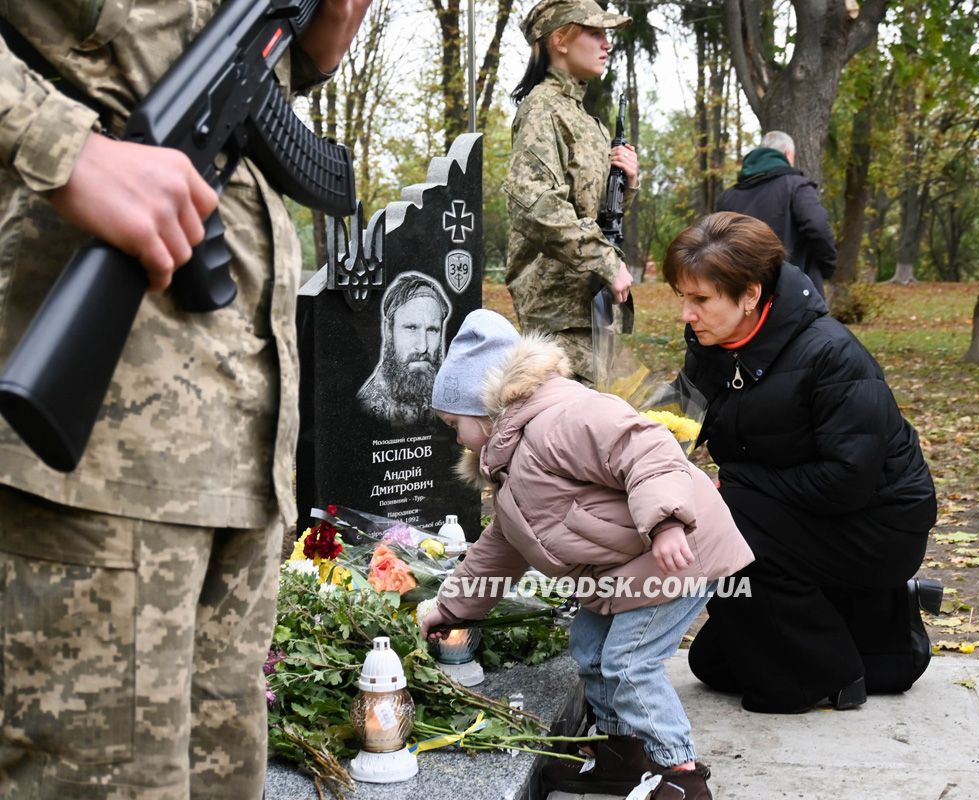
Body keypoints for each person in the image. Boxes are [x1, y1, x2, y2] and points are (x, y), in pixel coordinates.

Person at [0, 2, 371, 797]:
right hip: (102, 442)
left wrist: (326, 34)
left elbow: (214, 57)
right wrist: (62, 147)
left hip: (242, 433)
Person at [419, 309, 753, 800]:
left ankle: (680, 775)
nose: (455, 437)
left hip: (678, 550)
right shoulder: (512, 469)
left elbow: (646, 449)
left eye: (454, 423)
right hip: (626, 573)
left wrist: (664, 523)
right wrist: (449, 609)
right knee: (591, 650)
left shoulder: (564, 419)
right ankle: (621, 757)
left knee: (629, 663)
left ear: (484, 407)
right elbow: (500, 550)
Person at [664, 212, 939, 714]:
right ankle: (870, 624)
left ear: (750, 294)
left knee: (725, 517)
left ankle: (830, 674)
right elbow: (680, 424)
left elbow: (847, 482)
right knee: (713, 666)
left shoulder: (832, 355)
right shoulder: (711, 348)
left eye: (700, 299)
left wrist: (739, 485)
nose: (687, 313)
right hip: (791, 509)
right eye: (682, 297)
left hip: (877, 523)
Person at [502, 0, 639, 385]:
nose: (606, 43)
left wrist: (624, 186)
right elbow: (536, 206)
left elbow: (590, 214)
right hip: (557, 316)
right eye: (595, 32)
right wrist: (607, 262)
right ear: (560, 39)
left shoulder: (584, 119)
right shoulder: (542, 108)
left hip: (589, 310)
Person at [715, 130, 838, 298]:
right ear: (788, 154)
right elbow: (817, 225)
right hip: (795, 295)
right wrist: (828, 266)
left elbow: (716, 243)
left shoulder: (728, 197)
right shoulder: (796, 186)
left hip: (743, 295)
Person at [357, 271, 451, 423]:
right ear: (388, 330)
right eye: (411, 328)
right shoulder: (366, 408)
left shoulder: (449, 400)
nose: (423, 347)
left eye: (432, 330)